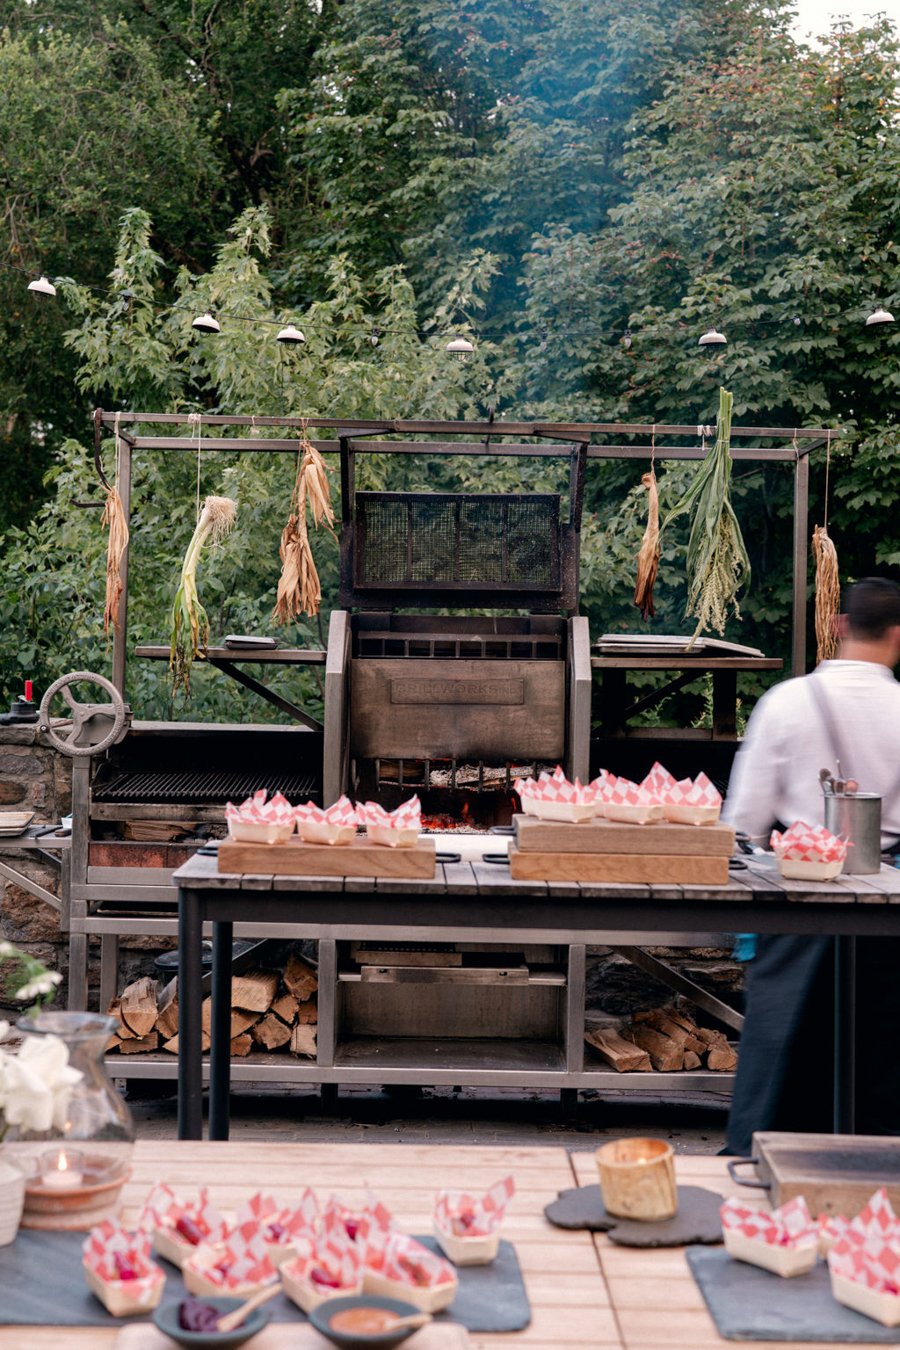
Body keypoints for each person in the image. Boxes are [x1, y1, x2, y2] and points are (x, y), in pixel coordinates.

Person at [722, 576, 900, 1154]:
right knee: (879, 1067)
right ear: (897, 636)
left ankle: (760, 1193)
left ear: (841, 625)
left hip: (796, 905)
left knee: (782, 1059)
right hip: (888, 916)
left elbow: (742, 823)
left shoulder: (787, 702)